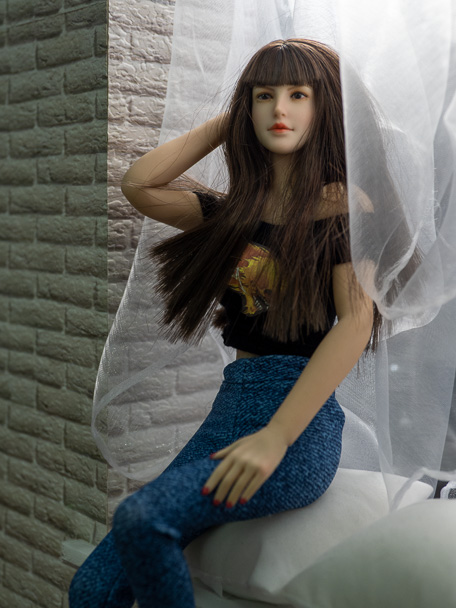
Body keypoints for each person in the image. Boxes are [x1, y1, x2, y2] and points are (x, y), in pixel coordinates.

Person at [69, 38, 377, 608]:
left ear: (325, 106)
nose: (279, 109)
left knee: (143, 517)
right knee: (90, 589)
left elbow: (356, 324)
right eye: (263, 96)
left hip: (297, 422)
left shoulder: (342, 212)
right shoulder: (230, 216)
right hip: (228, 410)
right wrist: (230, 119)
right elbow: (140, 185)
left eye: (298, 95)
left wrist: (277, 435)